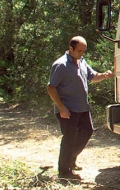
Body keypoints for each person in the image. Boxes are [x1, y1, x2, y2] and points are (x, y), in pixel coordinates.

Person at [47, 36, 112, 180]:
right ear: (71, 49)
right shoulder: (61, 65)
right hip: (67, 109)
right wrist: (61, 107)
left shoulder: (81, 61)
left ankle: (71, 158)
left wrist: (104, 76)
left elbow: (92, 76)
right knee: (69, 138)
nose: (82, 53)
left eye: (84, 51)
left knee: (87, 131)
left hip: (82, 107)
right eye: (79, 50)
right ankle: (64, 172)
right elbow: (51, 87)